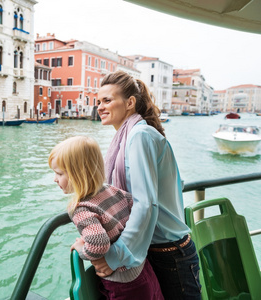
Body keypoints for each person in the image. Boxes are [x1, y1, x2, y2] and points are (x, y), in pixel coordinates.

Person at [91, 70, 201, 299]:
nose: (99, 107)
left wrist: (115, 256)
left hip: (170, 254)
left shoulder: (139, 136)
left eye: (107, 100)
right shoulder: (131, 136)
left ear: (130, 102)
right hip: (160, 251)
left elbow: (145, 204)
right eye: (98, 101)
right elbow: (173, 184)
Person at [49, 136, 164, 299]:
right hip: (141, 268)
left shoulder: (81, 209)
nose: (55, 179)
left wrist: (82, 249)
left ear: (78, 174)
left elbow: (98, 244)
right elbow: (133, 205)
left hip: (123, 283)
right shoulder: (111, 190)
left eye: (59, 173)